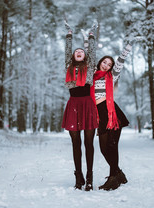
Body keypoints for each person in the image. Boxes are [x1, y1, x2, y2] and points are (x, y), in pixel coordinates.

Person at [90, 38, 134, 191]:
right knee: (103, 148)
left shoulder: (111, 76)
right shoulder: (92, 76)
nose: (107, 65)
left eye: (109, 64)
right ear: (100, 62)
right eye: (105, 62)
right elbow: (88, 56)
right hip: (100, 115)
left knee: (112, 146)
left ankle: (113, 179)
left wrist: (128, 46)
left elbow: (121, 61)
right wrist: (89, 37)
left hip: (113, 113)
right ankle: (118, 173)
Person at [61, 20, 98, 191]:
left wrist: (91, 35)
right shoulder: (68, 66)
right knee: (75, 143)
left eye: (81, 51)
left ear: (85, 56)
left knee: (88, 143)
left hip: (87, 105)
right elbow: (67, 49)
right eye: (76, 51)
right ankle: (78, 176)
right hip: (73, 105)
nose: (78, 52)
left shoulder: (90, 66)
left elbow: (92, 50)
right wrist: (69, 33)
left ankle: (90, 178)